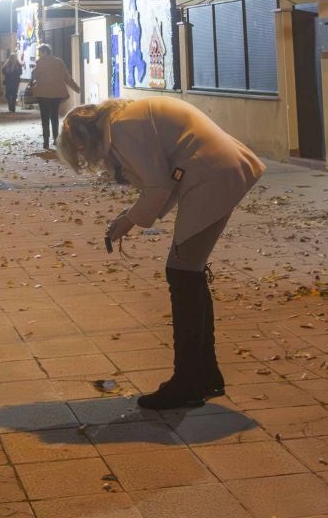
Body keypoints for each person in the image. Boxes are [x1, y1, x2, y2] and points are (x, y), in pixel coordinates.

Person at [57, 98, 263, 411]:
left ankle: (188, 382)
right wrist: (130, 218)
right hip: (215, 171)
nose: (90, 159)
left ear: (84, 137)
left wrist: (128, 220)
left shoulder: (123, 128)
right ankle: (204, 374)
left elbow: (157, 187)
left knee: (183, 276)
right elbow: (162, 184)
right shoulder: (125, 117)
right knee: (187, 273)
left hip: (211, 174)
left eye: (83, 152)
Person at [28, 43, 78, 150]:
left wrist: (34, 71)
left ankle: (46, 141)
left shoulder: (39, 62)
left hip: (43, 94)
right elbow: (67, 77)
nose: (39, 54)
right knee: (54, 116)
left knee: (44, 118)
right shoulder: (58, 61)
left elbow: (35, 76)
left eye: (40, 52)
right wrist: (76, 88)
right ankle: (56, 139)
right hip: (56, 94)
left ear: (43, 52)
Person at [1, 46, 23, 115]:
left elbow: (20, 72)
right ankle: (10, 105)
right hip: (9, 81)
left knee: (13, 94)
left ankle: (12, 107)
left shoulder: (18, 64)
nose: (12, 59)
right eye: (11, 58)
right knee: (8, 94)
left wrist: (13, 72)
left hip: (15, 81)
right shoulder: (7, 64)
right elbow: (3, 71)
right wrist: (8, 72)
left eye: (13, 58)